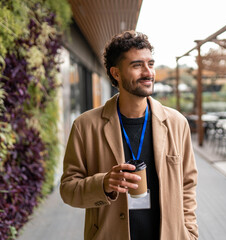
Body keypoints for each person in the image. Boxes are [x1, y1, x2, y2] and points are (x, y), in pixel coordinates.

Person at [60, 30, 198, 240]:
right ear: (116, 73)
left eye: (150, 64)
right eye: (137, 65)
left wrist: (189, 232)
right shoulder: (85, 126)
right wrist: (103, 184)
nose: (148, 72)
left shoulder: (176, 123)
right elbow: (68, 190)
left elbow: (188, 184)